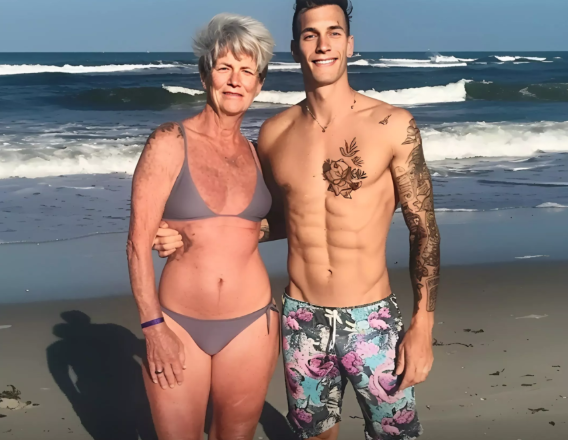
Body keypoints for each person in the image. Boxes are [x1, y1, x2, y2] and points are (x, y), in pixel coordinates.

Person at [154, 1, 440, 439]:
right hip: (301, 319)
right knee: (314, 435)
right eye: (310, 35)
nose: (323, 44)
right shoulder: (275, 133)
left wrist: (423, 326)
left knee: (395, 435)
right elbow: (269, 219)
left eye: (333, 32)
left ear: (350, 43)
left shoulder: (392, 124)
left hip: (372, 320)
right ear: (295, 48)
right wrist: (191, 234)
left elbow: (424, 230)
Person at [126, 14, 280, 440]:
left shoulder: (259, 153)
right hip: (177, 323)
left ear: (259, 83)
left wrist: (251, 232)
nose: (235, 80)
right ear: (204, 74)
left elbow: (294, 220)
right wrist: (153, 328)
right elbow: (137, 244)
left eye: (247, 70)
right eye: (224, 67)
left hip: (252, 324)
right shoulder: (170, 141)